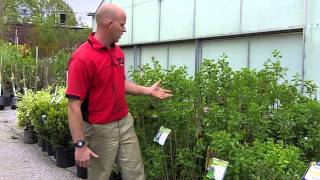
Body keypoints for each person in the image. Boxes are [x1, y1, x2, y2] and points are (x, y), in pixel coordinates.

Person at [65, 3, 172, 180]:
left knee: (135, 173)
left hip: (124, 123)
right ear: (108, 23)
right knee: (100, 176)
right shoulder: (81, 58)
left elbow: (119, 83)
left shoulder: (117, 52)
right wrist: (80, 145)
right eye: (121, 24)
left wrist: (147, 90)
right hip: (99, 129)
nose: (124, 29)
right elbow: (73, 106)